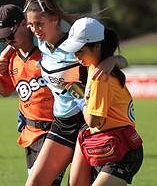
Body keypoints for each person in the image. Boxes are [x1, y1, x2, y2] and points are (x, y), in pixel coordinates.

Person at [23, 0, 128, 186]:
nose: (35, 29)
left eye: (39, 23)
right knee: (34, 183)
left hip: (86, 123)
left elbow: (123, 61)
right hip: (61, 124)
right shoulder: (42, 43)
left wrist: (111, 60)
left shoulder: (76, 47)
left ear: (55, 19)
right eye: (31, 24)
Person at [0, 4, 64, 185]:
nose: (7, 41)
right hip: (30, 134)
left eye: (9, 35)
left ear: (24, 25)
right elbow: (5, 91)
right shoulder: (11, 59)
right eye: (2, 39)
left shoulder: (47, 52)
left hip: (55, 132)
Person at [60, 17, 144, 186]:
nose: (76, 56)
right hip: (105, 145)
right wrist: (113, 60)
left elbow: (94, 121)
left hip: (120, 150)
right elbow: (123, 61)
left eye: (79, 51)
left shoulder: (100, 76)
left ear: (97, 46)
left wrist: (80, 99)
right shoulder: (94, 65)